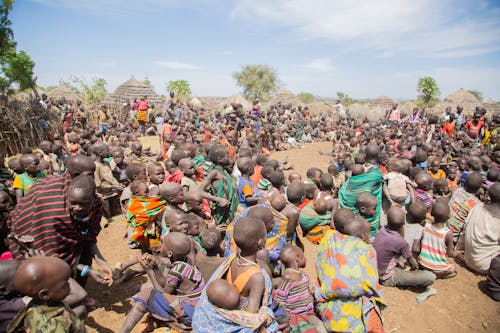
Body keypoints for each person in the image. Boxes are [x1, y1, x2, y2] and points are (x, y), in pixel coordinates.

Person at [8, 170, 113, 287]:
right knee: (54, 277)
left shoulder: (96, 207)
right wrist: (87, 270)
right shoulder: (56, 216)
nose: (77, 208)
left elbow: (89, 238)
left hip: (73, 246)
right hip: (48, 256)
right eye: (73, 203)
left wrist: (103, 264)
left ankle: (79, 289)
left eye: (83, 204)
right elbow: (51, 257)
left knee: (85, 251)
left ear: (94, 199)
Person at [193, 217, 280, 332]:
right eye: (265, 236)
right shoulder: (256, 277)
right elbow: (250, 318)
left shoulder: (232, 260)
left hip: (226, 304)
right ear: (260, 242)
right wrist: (265, 315)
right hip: (239, 312)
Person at [119, 232, 205, 333]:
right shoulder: (185, 261)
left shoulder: (177, 271)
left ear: (169, 253)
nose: (161, 246)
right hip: (195, 306)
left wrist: (149, 271)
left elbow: (164, 293)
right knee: (145, 290)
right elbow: (166, 284)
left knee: (146, 295)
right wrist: (155, 267)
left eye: (163, 243)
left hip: (190, 312)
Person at [315, 217, 386, 333]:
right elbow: (371, 281)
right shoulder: (367, 250)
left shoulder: (330, 241)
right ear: (363, 236)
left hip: (328, 303)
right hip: (354, 305)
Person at [7, 256, 87, 333]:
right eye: (64, 285)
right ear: (44, 294)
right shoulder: (52, 325)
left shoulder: (47, 303)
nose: (69, 285)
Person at [373, 207, 436, 288]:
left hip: (373, 271)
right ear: (403, 223)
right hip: (386, 277)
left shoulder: (381, 230)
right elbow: (413, 264)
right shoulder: (401, 242)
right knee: (430, 276)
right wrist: (415, 267)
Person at [273, 245, 326, 333]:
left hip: (307, 313)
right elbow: (279, 301)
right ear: (297, 258)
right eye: (303, 256)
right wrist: (284, 323)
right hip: (295, 318)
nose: (305, 258)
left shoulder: (303, 275)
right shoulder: (287, 279)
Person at [338, 144, 384, 238]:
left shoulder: (357, 169)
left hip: (354, 215)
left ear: (365, 156)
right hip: (369, 215)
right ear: (379, 156)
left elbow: (346, 187)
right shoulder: (377, 174)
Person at [458, 182, 500, 274]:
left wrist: (458, 250)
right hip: (487, 267)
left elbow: (464, 231)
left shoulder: (477, 207)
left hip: (467, 258)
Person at [418, 198, 463, 279]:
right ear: (449, 217)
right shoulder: (447, 233)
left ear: (431, 214)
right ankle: (435, 275)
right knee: (453, 270)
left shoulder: (426, 226)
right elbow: (450, 253)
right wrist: (458, 254)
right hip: (437, 267)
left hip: (422, 263)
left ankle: (428, 273)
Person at [447, 172, 482, 244]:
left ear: (465, 183)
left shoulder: (457, 191)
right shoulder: (477, 205)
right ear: (479, 188)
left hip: (444, 228)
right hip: (454, 237)